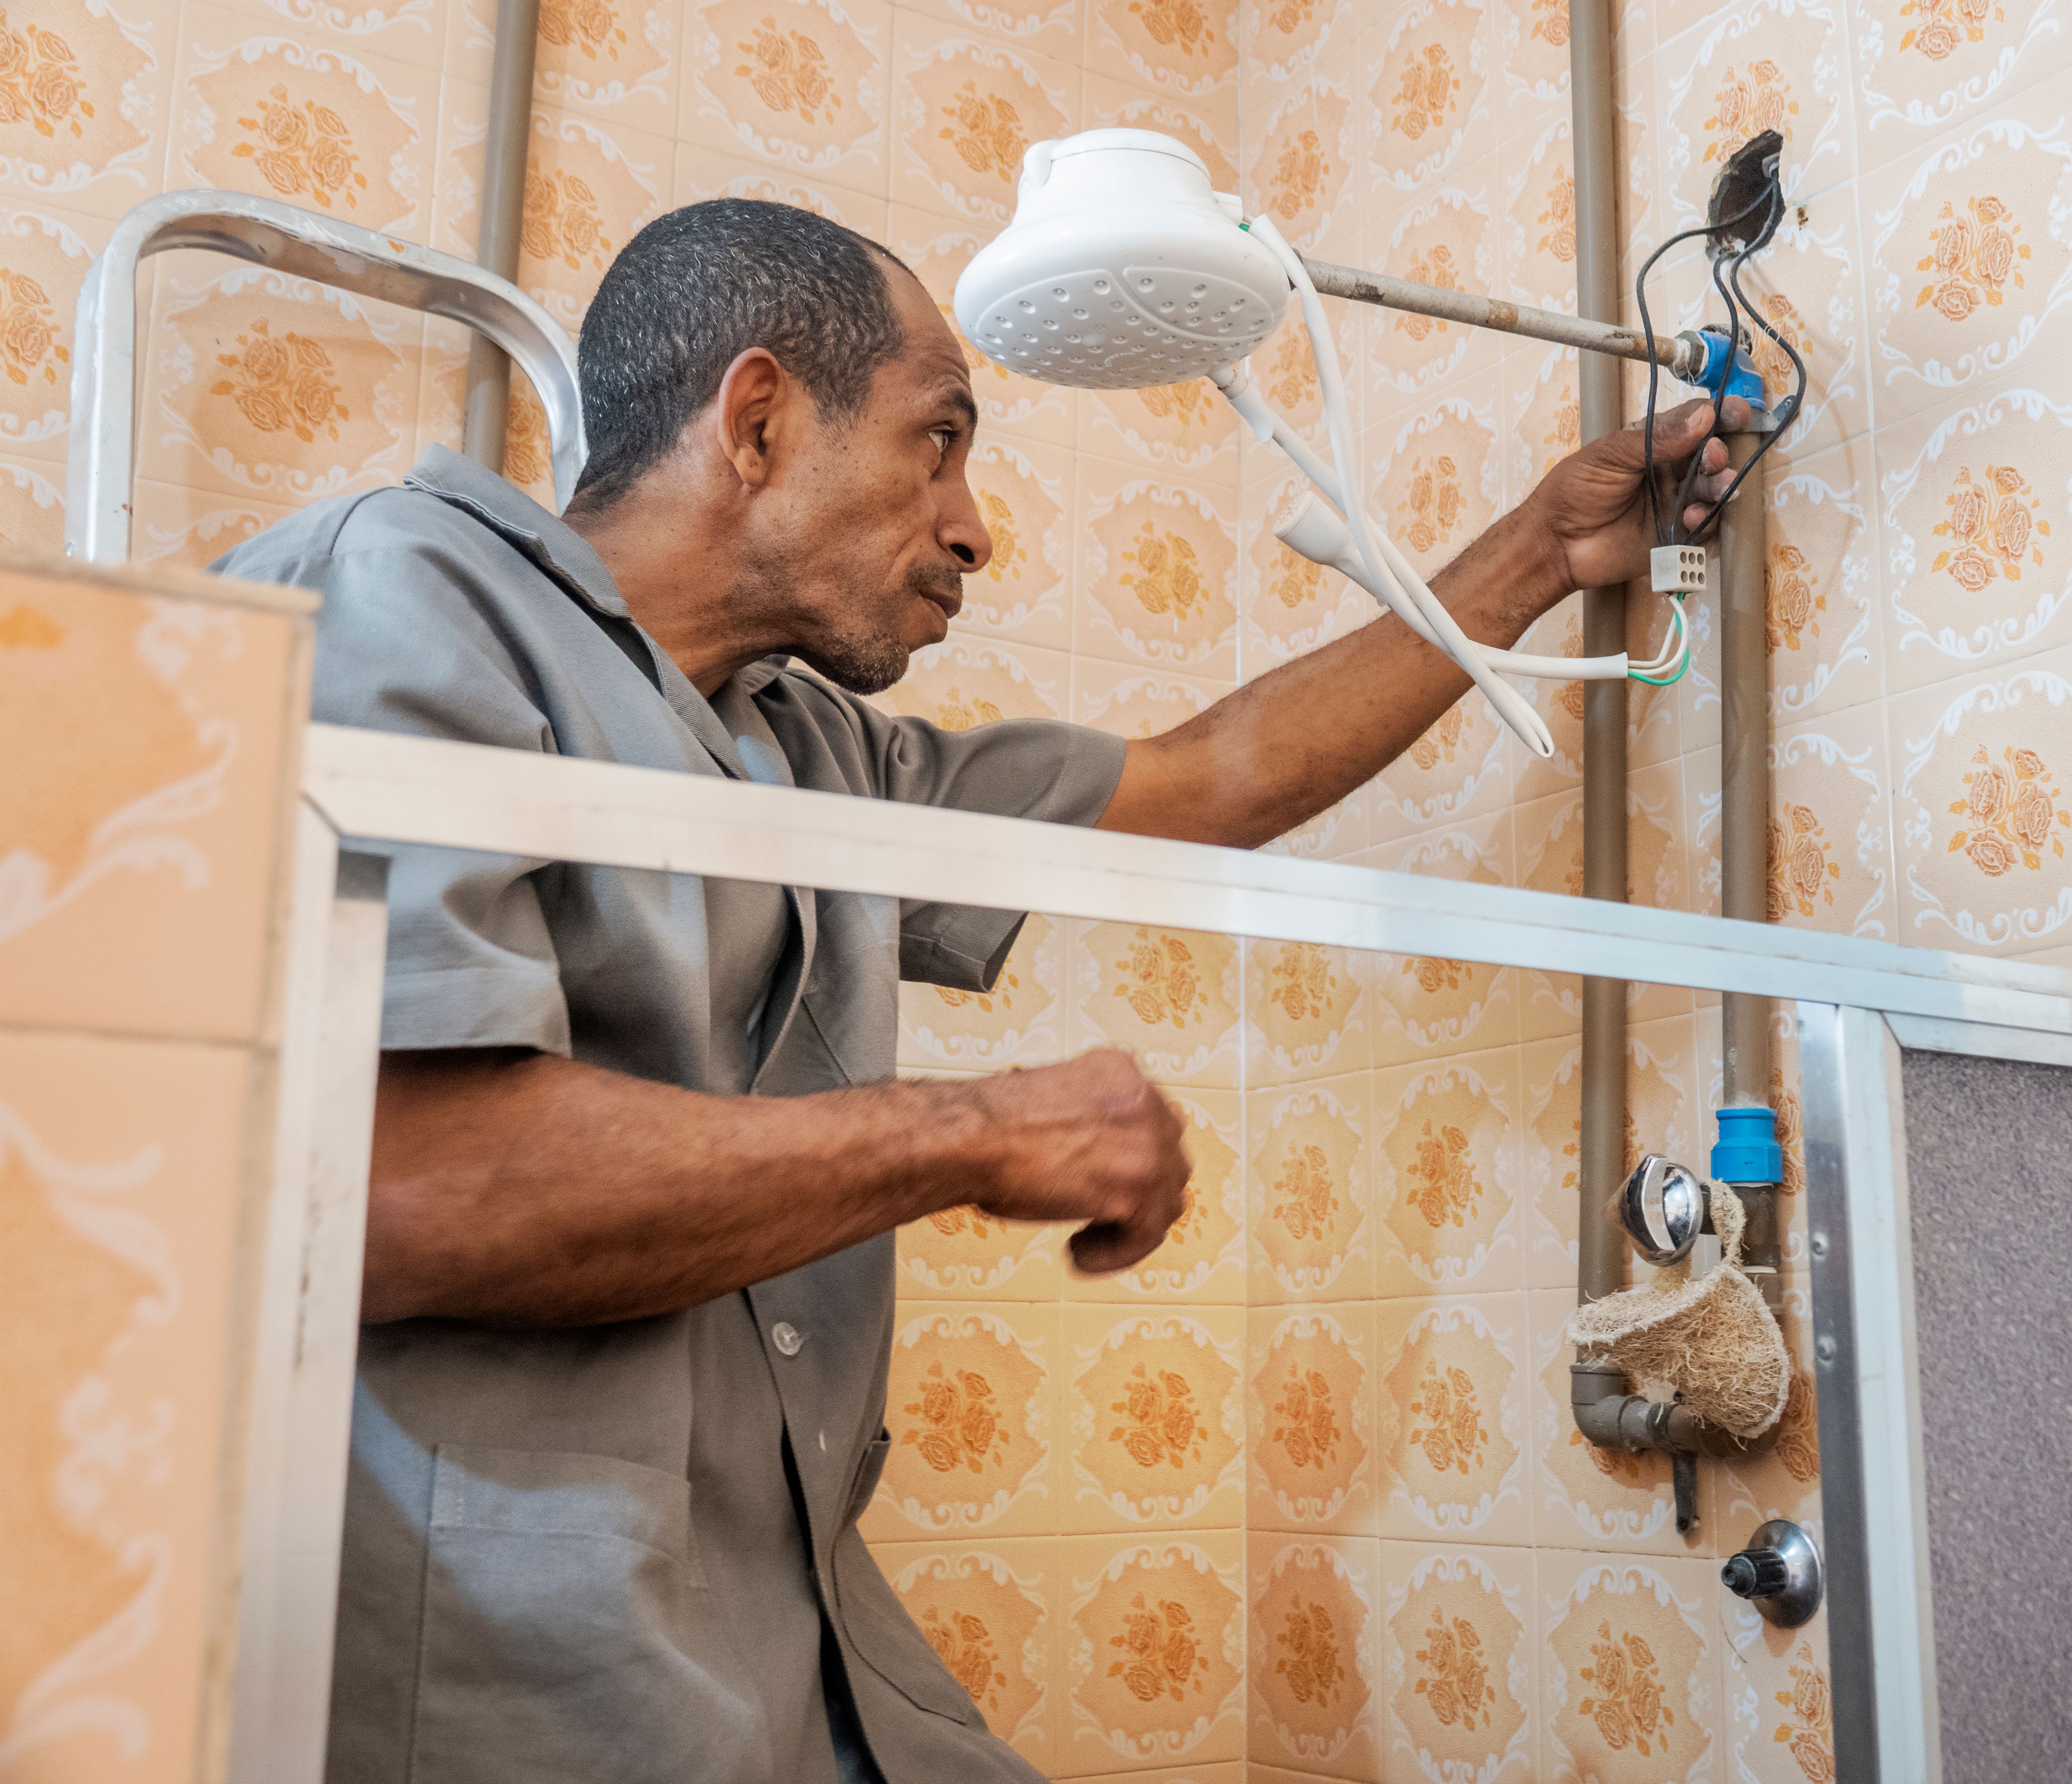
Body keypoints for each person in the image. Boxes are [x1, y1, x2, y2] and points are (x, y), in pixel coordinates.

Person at [220, 198, 1744, 1784]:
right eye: (938, 443)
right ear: (756, 422)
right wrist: (968, 1131)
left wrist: (1539, 553)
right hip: (479, 1696)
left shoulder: (804, 746)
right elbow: (399, 1182)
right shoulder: (404, 595)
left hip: (781, 1641)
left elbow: (1207, 785)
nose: (973, 526)